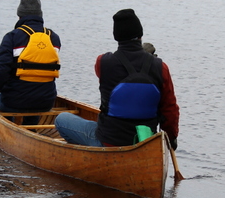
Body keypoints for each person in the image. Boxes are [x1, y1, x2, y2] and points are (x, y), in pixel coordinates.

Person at [55, 9, 179, 149]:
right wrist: (171, 138)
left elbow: (104, 70)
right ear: (140, 34)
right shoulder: (161, 67)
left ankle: (85, 156)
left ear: (117, 36)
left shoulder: (103, 62)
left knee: (61, 119)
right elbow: (170, 110)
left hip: (108, 142)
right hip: (145, 142)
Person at [0, 0, 61, 115]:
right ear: (40, 15)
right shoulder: (53, 38)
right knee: (34, 94)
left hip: (15, 103)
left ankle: (11, 125)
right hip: (46, 103)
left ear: (20, 16)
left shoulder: (12, 37)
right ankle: (31, 128)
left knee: (1, 97)